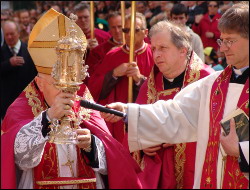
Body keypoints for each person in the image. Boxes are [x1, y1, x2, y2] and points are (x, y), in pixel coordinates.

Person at [102, 2, 249, 189]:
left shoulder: (204, 77)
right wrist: (127, 112)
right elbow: (176, 112)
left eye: (231, 41)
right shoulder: (213, 84)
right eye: (222, 40)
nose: (223, 48)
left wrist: (242, 151)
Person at [1, 8, 144, 189]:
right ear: (40, 83)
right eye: (57, 84)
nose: (66, 92)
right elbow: (19, 159)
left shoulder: (82, 98)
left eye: (72, 83)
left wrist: (92, 145)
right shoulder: (22, 107)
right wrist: (48, 117)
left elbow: (112, 159)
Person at [128, 20, 214, 189]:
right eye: (153, 49)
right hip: (158, 174)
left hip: (194, 169)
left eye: (163, 48)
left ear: (183, 50)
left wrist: (176, 133)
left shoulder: (207, 80)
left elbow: (214, 127)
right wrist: (144, 143)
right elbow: (135, 127)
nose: (156, 54)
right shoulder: (150, 84)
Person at [88, 12, 155, 143]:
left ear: (145, 32)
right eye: (126, 30)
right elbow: (94, 86)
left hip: (145, 121)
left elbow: (161, 89)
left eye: (135, 30)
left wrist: (139, 79)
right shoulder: (113, 55)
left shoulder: (154, 54)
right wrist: (114, 73)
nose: (129, 34)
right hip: (117, 122)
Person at [0, 20, 37, 121]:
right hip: (7, 104)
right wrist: (8, 64)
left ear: (18, 33)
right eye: (7, 34)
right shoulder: (1, 52)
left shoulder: (29, 50)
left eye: (12, 34)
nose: (9, 37)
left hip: (27, 102)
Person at [86, 12, 123, 79]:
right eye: (113, 27)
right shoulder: (97, 51)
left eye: (119, 27)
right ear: (109, 28)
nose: (117, 31)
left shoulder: (134, 46)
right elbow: (93, 75)